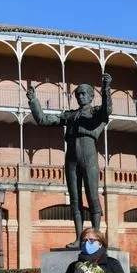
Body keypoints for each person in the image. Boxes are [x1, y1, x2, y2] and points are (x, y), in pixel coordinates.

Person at [26, 73, 112, 247]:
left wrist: (106, 87)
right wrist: (34, 101)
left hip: (89, 157)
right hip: (71, 158)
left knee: (92, 197)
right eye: (77, 94)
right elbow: (44, 120)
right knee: (74, 199)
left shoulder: (96, 114)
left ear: (90, 96)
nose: (80, 96)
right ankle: (79, 238)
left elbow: (107, 110)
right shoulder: (70, 116)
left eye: (83, 93)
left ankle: (95, 236)